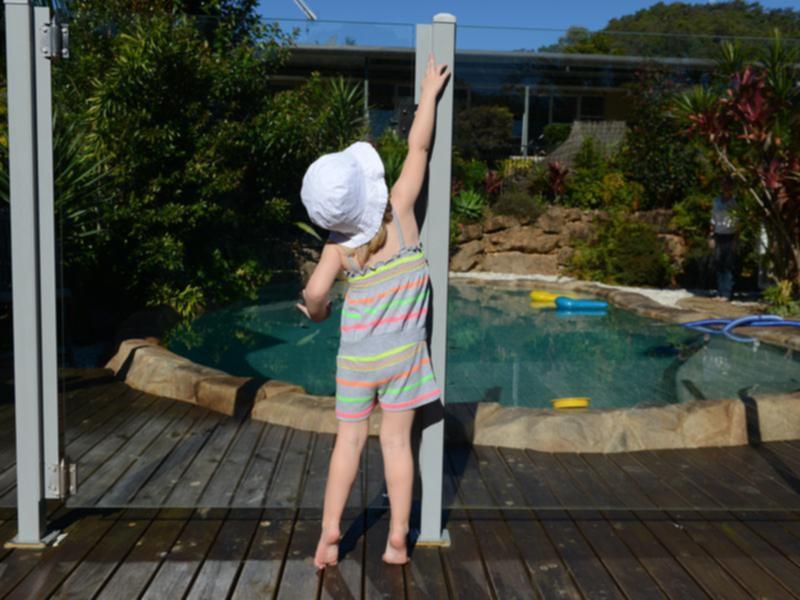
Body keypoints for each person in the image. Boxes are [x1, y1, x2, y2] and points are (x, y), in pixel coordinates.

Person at [296, 55, 450, 570]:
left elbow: (317, 295)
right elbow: (419, 146)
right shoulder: (403, 209)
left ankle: (330, 534)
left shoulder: (338, 250)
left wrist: (316, 311)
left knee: (349, 442)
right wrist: (428, 95)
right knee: (397, 444)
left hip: (357, 361)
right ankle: (399, 538)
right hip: (403, 356)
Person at [710, 177, 738, 301]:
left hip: (730, 235)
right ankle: (719, 291)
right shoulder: (716, 201)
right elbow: (713, 219)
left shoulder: (735, 203)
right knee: (718, 263)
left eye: (728, 186)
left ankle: (727, 293)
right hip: (718, 234)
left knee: (728, 264)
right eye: (724, 185)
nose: (726, 188)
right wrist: (711, 236)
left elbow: (738, 222)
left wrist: (735, 240)